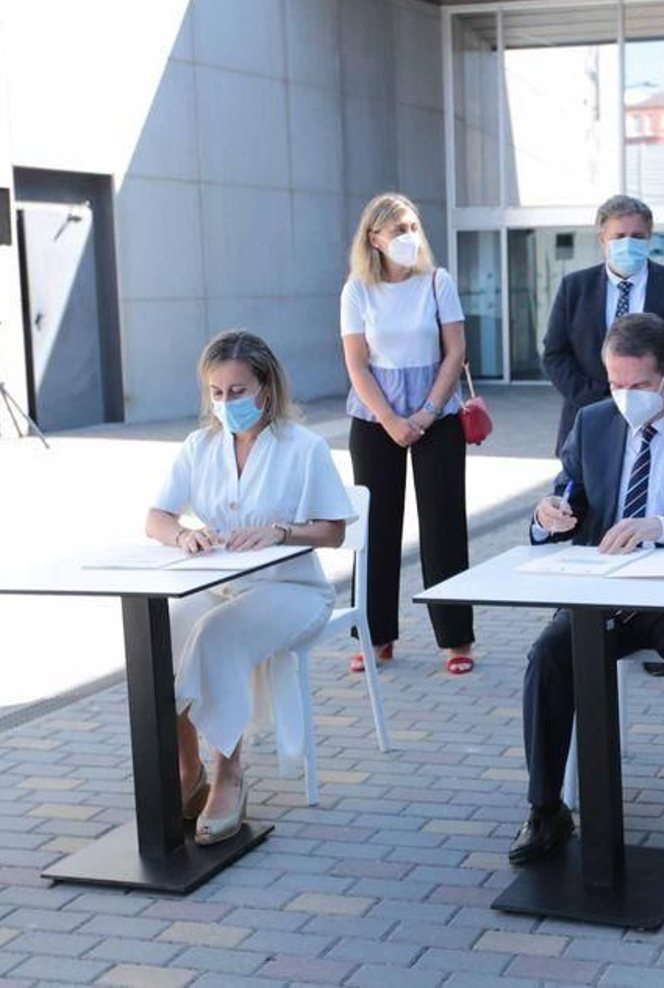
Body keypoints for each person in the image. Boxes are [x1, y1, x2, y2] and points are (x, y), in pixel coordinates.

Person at [512, 312, 664, 867]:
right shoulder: (593, 422)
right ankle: (546, 810)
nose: (626, 397)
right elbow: (565, 493)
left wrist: (660, 526)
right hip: (605, 592)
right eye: (616, 384)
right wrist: (548, 515)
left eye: (640, 385)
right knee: (547, 656)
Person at [146, 331, 355, 845]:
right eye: (216, 393)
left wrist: (281, 530)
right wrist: (183, 533)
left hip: (293, 591)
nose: (225, 403)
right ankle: (186, 767)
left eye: (237, 392)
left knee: (218, 635)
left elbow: (333, 531)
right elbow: (156, 517)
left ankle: (228, 772)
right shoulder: (200, 446)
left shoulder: (301, 448)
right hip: (222, 584)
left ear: (266, 387)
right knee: (163, 630)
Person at [341, 193, 474, 675]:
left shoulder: (437, 282)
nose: (408, 237)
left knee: (444, 525)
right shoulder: (356, 290)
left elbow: (454, 353)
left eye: (413, 227)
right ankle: (376, 638)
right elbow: (357, 364)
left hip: (436, 415)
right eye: (398, 229)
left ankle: (456, 640)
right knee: (376, 528)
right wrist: (393, 421)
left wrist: (426, 412)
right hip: (375, 419)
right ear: (374, 239)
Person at [542, 194, 664, 457]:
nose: (628, 243)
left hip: (661, 419)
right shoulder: (574, 288)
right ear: (602, 240)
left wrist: (655, 400)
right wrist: (606, 401)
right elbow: (555, 354)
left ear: (649, 238)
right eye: (619, 236)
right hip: (588, 420)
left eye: (637, 236)